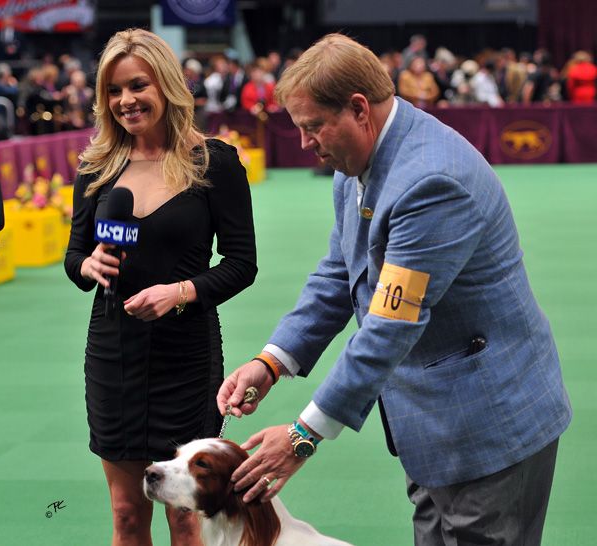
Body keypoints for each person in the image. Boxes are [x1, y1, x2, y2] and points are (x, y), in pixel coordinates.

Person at [218, 33, 571, 546]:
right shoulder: (356, 162)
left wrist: (302, 435)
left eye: (312, 126)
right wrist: (273, 361)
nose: (304, 143)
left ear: (359, 109)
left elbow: (388, 325)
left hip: (489, 431)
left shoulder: (431, 182)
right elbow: (339, 272)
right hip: (431, 429)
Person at [64, 28, 257, 545]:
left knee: (183, 514)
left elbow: (241, 264)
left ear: (167, 87)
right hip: (113, 356)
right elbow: (73, 257)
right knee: (127, 514)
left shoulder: (214, 162)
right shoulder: (96, 169)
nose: (126, 101)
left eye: (138, 85)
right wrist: (90, 266)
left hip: (187, 359)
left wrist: (181, 292)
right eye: (114, 90)